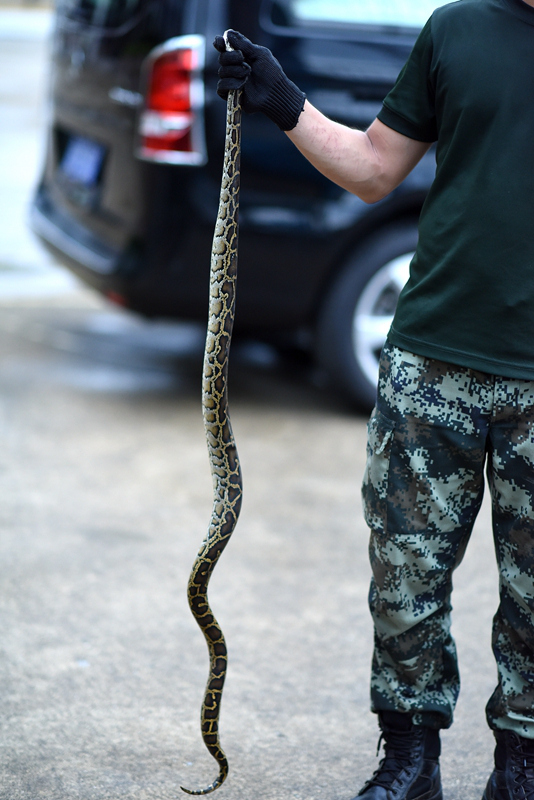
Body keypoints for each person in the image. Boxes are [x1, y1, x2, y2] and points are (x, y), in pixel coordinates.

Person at [214, 1, 534, 798]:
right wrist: (285, 101)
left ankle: (524, 764)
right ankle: (410, 761)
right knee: (404, 581)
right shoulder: (456, 29)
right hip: (432, 357)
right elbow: (374, 169)